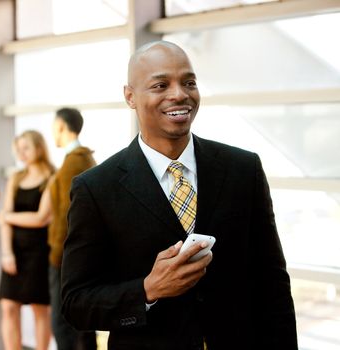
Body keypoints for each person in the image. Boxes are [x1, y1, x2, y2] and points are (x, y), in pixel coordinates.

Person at [60, 41, 298, 349]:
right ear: (130, 97)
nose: (179, 94)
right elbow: (76, 303)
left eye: (189, 82)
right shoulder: (96, 188)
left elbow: (273, 283)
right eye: (161, 85)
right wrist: (147, 289)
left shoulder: (243, 169)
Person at [1, 108, 97, 350]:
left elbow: (61, 216)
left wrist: (56, 254)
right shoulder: (76, 161)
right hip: (58, 255)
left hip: (58, 256)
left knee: (61, 323)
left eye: (54, 126)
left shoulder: (69, 166)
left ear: (62, 127)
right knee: (72, 324)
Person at [0, 130, 55, 350]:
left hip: (39, 253)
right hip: (14, 252)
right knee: (9, 307)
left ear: (39, 147)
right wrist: (6, 253)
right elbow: (5, 223)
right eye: (18, 149)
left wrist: (7, 216)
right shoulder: (16, 178)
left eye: (26, 148)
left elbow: (42, 218)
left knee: (40, 309)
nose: (21, 153)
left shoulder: (52, 177)